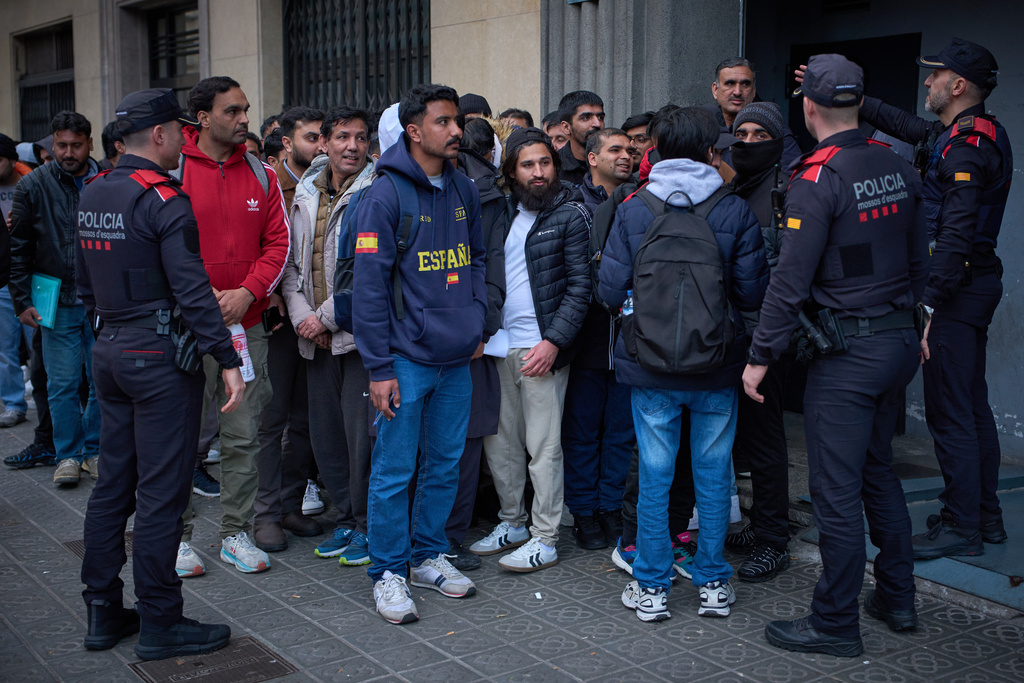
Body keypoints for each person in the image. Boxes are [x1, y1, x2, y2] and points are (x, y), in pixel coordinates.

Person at [744, 54, 927, 656]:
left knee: (837, 491)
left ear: (808, 107)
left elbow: (789, 280)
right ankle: (897, 597)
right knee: (877, 471)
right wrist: (922, 319)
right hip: (898, 342)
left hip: (850, 355)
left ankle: (834, 623)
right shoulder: (898, 164)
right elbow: (918, 254)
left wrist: (760, 356)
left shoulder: (819, 176)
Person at [76, 88, 242, 661]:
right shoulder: (163, 198)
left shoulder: (94, 191)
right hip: (158, 358)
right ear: (163, 135)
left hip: (110, 348)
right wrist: (228, 358)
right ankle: (160, 621)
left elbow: (83, 281)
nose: (184, 141)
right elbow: (193, 290)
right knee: (162, 494)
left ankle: (101, 610)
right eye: (179, 131)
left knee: (113, 487)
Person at [600, 106, 768, 622]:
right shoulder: (733, 210)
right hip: (717, 365)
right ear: (711, 152)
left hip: (649, 366)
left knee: (654, 474)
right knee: (714, 473)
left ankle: (651, 588)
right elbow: (753, 291)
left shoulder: (635, 208)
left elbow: (608, 290)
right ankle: (713, 582)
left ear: (655, 150)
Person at [858, 38, 1012, 558]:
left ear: (958, 85)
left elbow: (957, 235)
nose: (927, 82)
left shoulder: (967, 146)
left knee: (951, 413)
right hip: (971, 287)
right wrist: (856, 98)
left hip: (956, 291)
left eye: (935, 75)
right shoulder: (966, 133)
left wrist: (930, 304)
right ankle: (984, 517)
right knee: (970, 407)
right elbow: (911, 129)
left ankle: (961, 526)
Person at [354, 84, 486, 624]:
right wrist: (380, 368)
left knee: (445, 463)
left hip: (457, 358)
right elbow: (367, 288)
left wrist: (478, 319)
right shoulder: (382, 196)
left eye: (456, 121)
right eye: (444, 122)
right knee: (393, 469)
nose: (457, 131)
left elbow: (478, 258)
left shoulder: (465, 189)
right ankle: (388, 570)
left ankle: (428, 554)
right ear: (414, 130)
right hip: (404, 361)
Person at [175, 76, 290, 576]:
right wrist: (205, 303)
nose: (246, 119)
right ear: (202, 118)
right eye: (233, 111)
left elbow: (278, 244)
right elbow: (163, 250)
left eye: (246, 109)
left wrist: (247, 292)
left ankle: (233, 534)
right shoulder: (173, 171)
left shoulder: (262, 176)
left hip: (247, 327)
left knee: (242, 434)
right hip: (183, 330)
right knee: (178, 438)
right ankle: (174, 538)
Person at [471, 128, 590, 572]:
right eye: (528, 165)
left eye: (545, 163)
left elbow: (581, 288)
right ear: (511, 171)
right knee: (498, 444)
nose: (539, 172)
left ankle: (545, 537)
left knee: (544, 448)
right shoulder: (500, 212)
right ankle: (512, 522)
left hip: (541, 349)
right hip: (498, 345)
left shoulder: (571, 214)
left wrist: (554, 341)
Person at [285, 105, 376, 566]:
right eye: (343, 137)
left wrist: (325, 318)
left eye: (361, 138)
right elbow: (291, 266)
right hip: (314, 339)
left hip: (357, 338)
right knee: (328, 438)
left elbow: (370, 275)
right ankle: (344, 517)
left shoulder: (376, 192)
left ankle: (366, 525)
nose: (352, 147)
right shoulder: (305, 192)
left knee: (362, 440)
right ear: (325, 141)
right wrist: (305, 318)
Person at [9, 111, 101, 486]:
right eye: (60, 145)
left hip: (101, 300)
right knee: (61, 382)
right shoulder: (33, 186)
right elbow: (18, 248)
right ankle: (68, 455)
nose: (67, 153)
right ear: (51, 143)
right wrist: (20, 300)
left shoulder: (106, 178)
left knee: (102, 381)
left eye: (75, 146)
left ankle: (93, 450)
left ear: (89, 144)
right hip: (55, 299)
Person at [723, 101, 794, 582]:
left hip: (767, 339)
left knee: (765, 441)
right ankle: (759, 523)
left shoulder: (786, 192)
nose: (748, 142)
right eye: (740, 134)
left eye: (759, 135)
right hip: (736, 334)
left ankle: (774, 539)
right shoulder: (736, 186)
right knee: (744, 438)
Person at [563, 128, 635, 550]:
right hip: (587, 339)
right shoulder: (574, 205)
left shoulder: (641, 201)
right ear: (592, 158)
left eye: (630, 149)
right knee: (583, 431)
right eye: (615, 150)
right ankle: (584, 510)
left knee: (621, 431)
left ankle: (611, 507)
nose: (625, 156)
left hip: (630, 344)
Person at [445, 117, 507, 571]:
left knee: (464, 443)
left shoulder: (481, 193)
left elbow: (489, 265)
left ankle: (448, 537)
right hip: (415, 340)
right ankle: (410, 538)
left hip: (470, 338)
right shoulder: (389, 190)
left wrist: (481, 328)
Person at [706, 58, 801, 171]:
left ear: (754, 91)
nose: (737, 92)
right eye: (730, 83)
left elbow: (793, 174)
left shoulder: (773, 127)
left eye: (745, 84)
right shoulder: (703, 127)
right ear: (715, 90)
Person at [0, 134, 33, 430]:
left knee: (39, 343)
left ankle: (49, 401)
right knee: (4, 346)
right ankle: (13, 403)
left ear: (12, 160)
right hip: (2, 278)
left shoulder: (31, 183)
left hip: (33, 277)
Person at [277, 106, 325, 211]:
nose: (322, 147)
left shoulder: (335, 183)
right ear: (288, 144)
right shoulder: (271, 186)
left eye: (324, 139)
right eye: (312, 139)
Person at [556, 91, 605, 186]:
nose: (597, 124)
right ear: (566, 127)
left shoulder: (612, 162)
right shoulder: (554, 168)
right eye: (586, 118)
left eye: (600, 117)